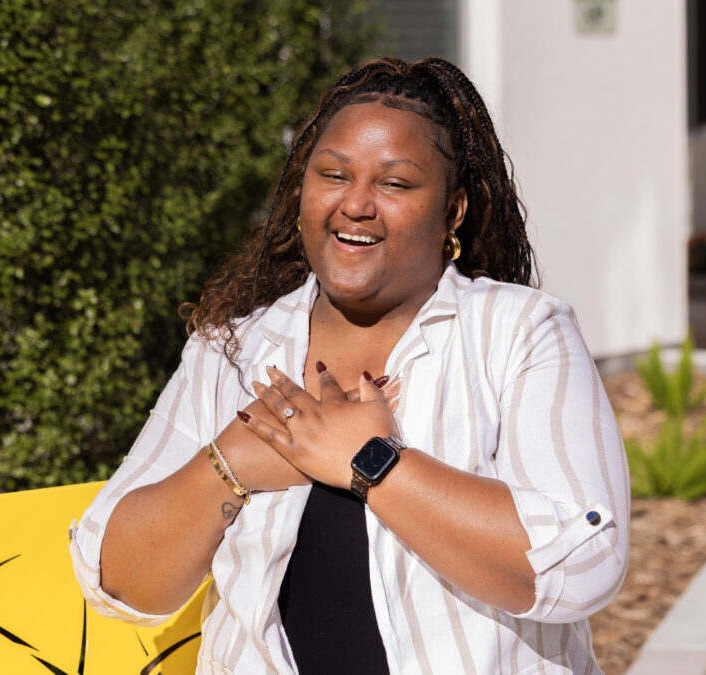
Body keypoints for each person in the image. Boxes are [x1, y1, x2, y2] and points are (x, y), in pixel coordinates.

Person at [69, 57, 629, 674]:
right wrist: (231, 465)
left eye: (395, 184)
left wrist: (373, 464)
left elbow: (584, 560)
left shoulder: (518, 333)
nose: (356, 204)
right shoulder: (232, 349)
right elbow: (116, 582)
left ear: (453, 211)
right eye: (333, 174)